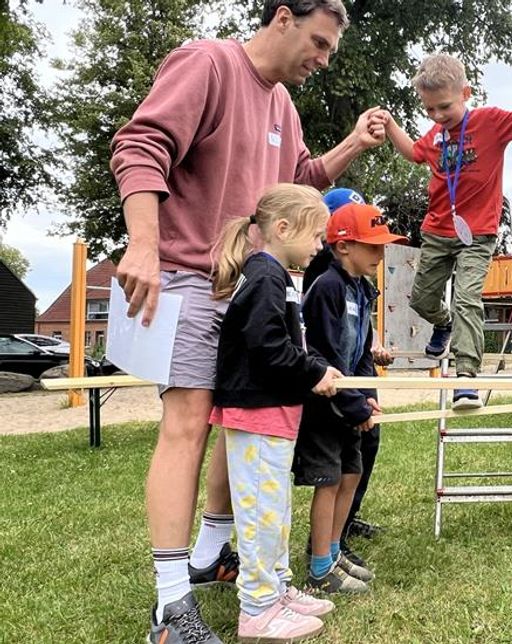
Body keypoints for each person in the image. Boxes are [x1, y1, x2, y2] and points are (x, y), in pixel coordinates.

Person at [109, 1, 387, 639]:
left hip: (245, 290)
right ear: (283, 18)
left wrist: (353, 143)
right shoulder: (207, 63)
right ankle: (171, 600)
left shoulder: (283, 107)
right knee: (187, 426)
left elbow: (301, 183)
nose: (322, 59)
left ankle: (209, 553)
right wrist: (144, 244)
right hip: (187, 276)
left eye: (330, 51)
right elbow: (140, 145)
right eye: (318, 43)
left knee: (236, 420)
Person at [382, 53, 512, 409]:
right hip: (437, 231)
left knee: (467, 297)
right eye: (429, 109)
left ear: (466, 92)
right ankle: (443, 323)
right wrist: (389, 125)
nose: (436, 116)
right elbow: (413, 154)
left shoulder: (490, 122)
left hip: (477, 235)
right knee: (421, 299)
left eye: (443, 107)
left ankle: (466, 378)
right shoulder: (435, 135)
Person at [208, 184, 340, 642]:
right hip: (257, 415)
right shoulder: (265, 276)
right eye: (317, 236)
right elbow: (267, 347)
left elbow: (285, 345)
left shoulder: (274, 275)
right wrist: (311, 374)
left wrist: (317, 366)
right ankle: (258, 610)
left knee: (275, 512)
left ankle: (278, 589)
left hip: (274, 417)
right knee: (262, 516)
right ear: (283, 229)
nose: (321, 245)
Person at [294, 202, 406, 595]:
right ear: (343, 247)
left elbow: (359, 351)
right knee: (328, 481)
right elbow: (320, 351)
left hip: (347, 398)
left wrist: (364, 396)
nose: (380, 253)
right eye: (372, 246)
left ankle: (335, 549)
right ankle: (320, 566)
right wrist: (351, 403)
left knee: (351, 473)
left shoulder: (361, 287)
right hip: (324, 403)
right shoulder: (326, 287)